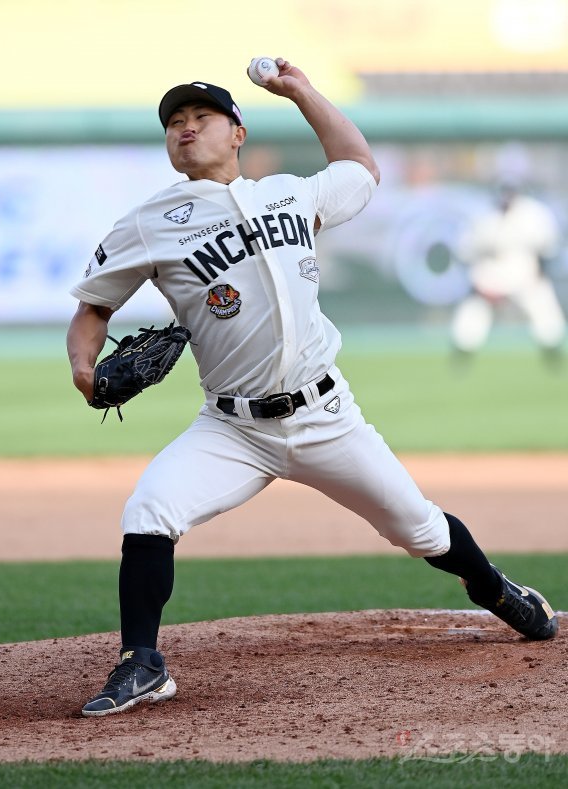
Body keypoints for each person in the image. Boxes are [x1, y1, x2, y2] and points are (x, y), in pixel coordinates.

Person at [67, 59, 558, 718]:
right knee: (149, 510)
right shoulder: (149, 222)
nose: (186, 129)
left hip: (326, 415)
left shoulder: (290, 195)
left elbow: (360, 165)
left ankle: (495, 588)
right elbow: (93, 308)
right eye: (175, 122)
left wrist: (300, 92)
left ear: (237, 132)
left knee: (419, 527)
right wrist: (83, 370)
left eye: (202, 117)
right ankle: (142, 663)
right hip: (232, 428)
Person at [451, 178, 565, 361]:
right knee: (474, 311)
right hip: (491, 273)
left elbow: (548, 247)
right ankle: (463, 351)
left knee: (544, 308)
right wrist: (478, 281)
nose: (506, 197)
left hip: (525, 272)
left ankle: (552, 350)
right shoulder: (483, 215)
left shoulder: (533, 214)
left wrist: (542, 271)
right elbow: (467, 251)